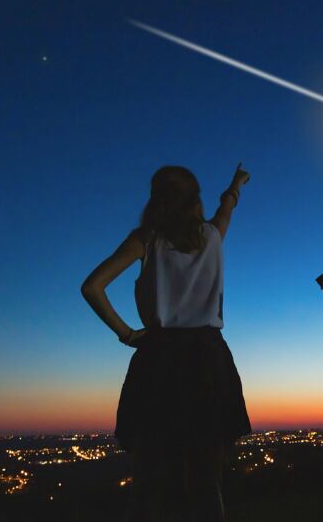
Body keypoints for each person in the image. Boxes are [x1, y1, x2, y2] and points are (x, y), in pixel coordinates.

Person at [81, 164, 252, 521]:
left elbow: (93, 287)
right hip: (208, 359)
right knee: (208, 480)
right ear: (195, 201)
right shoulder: (212, 236)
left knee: (149, 480)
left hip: (159, 359)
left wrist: (127, 333)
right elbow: (226, 210)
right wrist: (236, 184)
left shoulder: (145, 240)